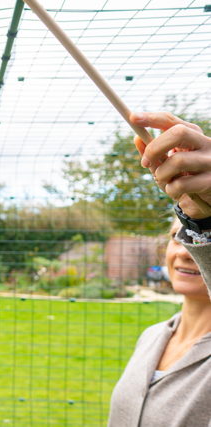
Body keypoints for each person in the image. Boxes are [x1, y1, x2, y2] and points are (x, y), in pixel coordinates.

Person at [108, 112, 211, 427]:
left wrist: (203, 222)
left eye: (192, 238)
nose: (184, 250)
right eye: (175, 237)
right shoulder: (152, 336)